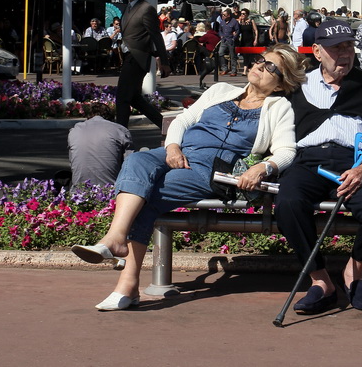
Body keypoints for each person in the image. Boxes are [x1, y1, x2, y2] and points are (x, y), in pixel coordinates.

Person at [71, 44, 307, 311]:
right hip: (179, 152)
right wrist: (172, 147)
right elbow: (182, 121)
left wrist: (264, 167)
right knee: (137, 159)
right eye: (260, 60)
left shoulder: (279, 107)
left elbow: (286, 150)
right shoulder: (221, 91)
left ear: (280, 84)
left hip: (211, 168)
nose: (259, 66)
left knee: (149, 195)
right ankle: (115, 238)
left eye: (270, 66)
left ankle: (127, 282)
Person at [276, 19, 362, 315]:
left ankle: (354, 275)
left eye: (348, 46)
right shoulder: (299, 85)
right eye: (335, 48)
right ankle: (321, 282)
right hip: (309, 161)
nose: (345, 54)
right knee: (288, 203)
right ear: (317, 52)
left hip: (354, 161)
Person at [115, 0, 172, 129]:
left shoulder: (146, 8)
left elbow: (156, 36)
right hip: (129, 56)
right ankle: (166, 126)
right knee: (133, 98)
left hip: (137, 58)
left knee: (122, 98)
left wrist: (164, 62)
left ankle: (120, 134)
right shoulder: (127, 7)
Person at [68, 103, 133, 187]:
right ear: (111, 117)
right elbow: (130, 163)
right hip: (111, 191)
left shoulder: (74, 131)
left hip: (79, 191)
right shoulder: (119, 130)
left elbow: (72, 161)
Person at [217, 8, 240, 76]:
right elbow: (220, 30)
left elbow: (237, 30)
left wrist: (234, 38)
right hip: (224, 40)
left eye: (224, 15)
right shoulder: (222, 22)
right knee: (220, 53)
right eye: (222, 15)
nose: (223, 16)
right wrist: (221, 35)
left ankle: (233, 70)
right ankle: (224, 68)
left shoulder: (234, 22)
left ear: (228, 15)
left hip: (230, 40)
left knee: (232, 56)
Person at [237, 9, 258, 76]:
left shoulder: (251, 22)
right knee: (244, 55)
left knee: (247, 54)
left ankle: (244, 70)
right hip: (243, 40)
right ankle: (249, 68)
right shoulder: (240, 22)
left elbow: (256, 30)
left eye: (244, 14)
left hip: (250, 40)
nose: (242, 15)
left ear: (247, 15)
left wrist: (256, 39)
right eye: (241, 13)